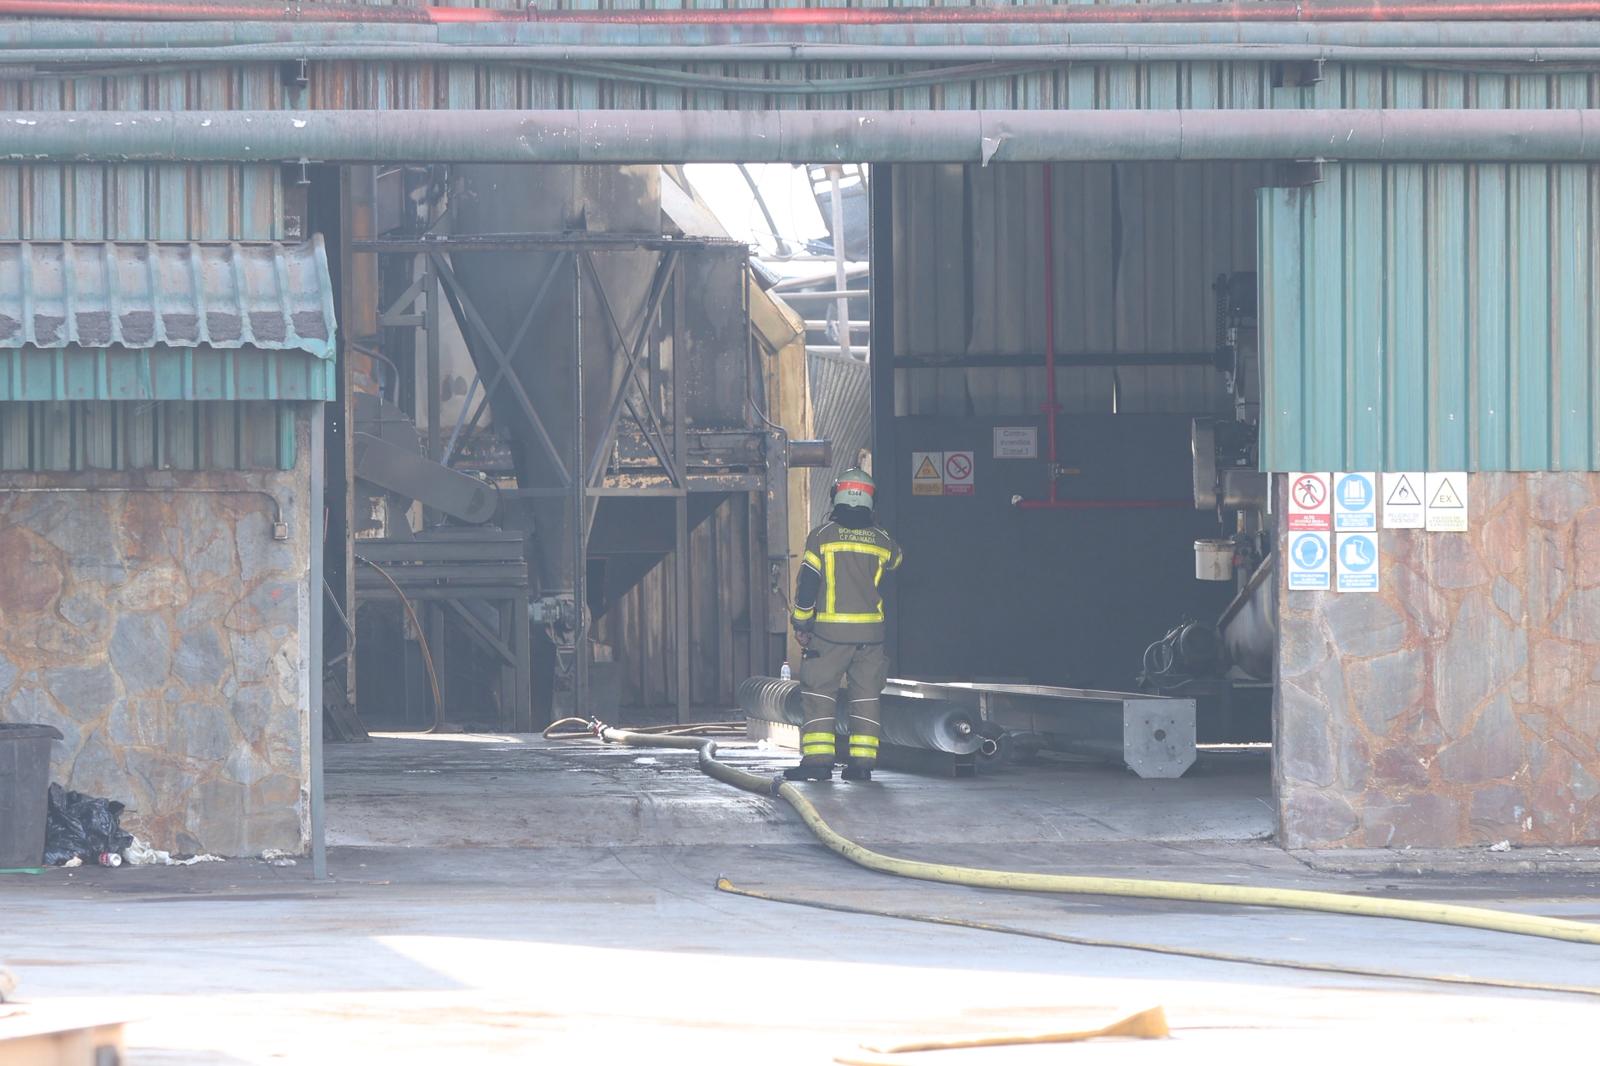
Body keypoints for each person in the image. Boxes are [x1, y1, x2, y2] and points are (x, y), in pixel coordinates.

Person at [786, 467, 903, 783]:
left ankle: (818, 763)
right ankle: (862, 765)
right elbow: (897, 562)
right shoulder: (883, 541)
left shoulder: (822, 537)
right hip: (871, 637)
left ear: (836, 496)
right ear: (870, 500)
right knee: (866, 697)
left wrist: (801, 622)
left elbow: (808, 585)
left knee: (820, 694)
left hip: (829, 635)